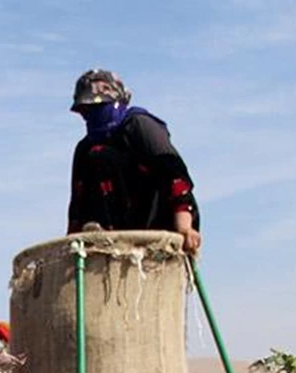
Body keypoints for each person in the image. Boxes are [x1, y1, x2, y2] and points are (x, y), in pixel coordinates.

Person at [66, 68, 202, 256]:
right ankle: (100, 233)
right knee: (94, 156)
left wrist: (184, 226)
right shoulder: (84, 150)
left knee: (100, 156)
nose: (91, 116)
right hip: (115, 228)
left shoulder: (139, 126)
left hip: (157, 220)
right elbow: (77, 204)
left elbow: (175, 177)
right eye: (86, 111)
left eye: (97, 109)